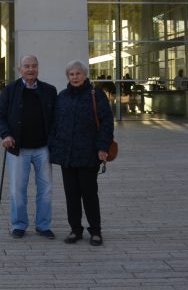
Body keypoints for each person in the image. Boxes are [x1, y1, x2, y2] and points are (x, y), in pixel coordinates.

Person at [49, 60, 114, 246]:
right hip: (67, 156)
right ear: (67, 77)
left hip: (88, 155)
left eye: (78, 74)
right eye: (71, 74)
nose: (75, 77)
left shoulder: (96, 95)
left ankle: (95, 231)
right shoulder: (62, 97)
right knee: (71, 195)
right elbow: (55, 124)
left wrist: (103, 147)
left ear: (85, 75)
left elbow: (107, 123)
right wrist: (54, 145)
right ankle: (75, 229)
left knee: (89, 194)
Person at [0, 55, 57, 239]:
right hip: (18, 148)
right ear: (19, 68)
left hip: (43, 148)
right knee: (17, 189)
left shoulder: (49, 90)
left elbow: (56, 119)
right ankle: (19, 224)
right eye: (27, 66)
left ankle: (43, 225)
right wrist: (5, 135)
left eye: (34, 66)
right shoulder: (10, 90)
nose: (31, 69)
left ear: (38, 68)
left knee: (45, 189)